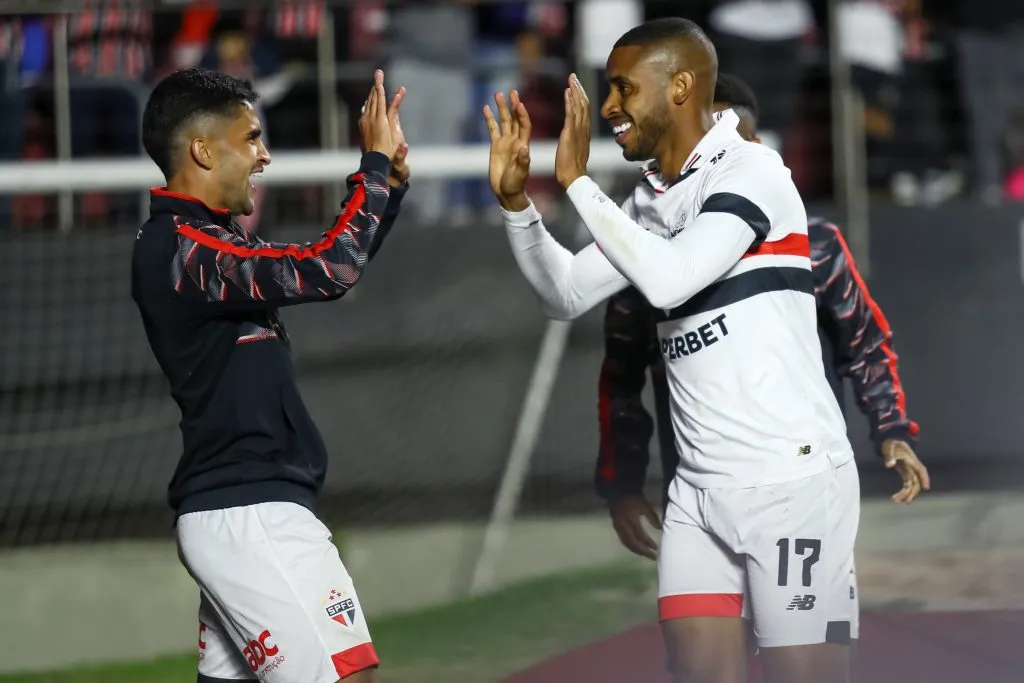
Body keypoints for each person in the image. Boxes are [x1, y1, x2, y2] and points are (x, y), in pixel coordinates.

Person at [485, 16, 864, 683]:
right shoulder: (653, 198)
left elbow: (670, 277)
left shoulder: (755, 172)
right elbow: (565, 294)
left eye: (623, 89)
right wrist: (519, 205)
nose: (608, 108)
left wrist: (577, 184)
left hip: (792, 483)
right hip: (697, 492)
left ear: (680, 87)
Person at [595, 71, 930, 681]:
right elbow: (620, 374)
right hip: (696, 490)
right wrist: (620, 481)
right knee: (699, 666)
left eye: (732, 139)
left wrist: (892, 428)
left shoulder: (814, 243)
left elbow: (865, 343)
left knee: (803, 666)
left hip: (790, 485)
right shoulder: (646, 255)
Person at [132, 67, 409, 683]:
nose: (265, 155)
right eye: (251, 137)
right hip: (250, 509)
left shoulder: (201, 243)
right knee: (345, 676)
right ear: (203, 150)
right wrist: (372, 172)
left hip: (243, 508)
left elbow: (331, 265)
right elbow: (327, 269)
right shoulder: (181, 247)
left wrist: (388, 185)